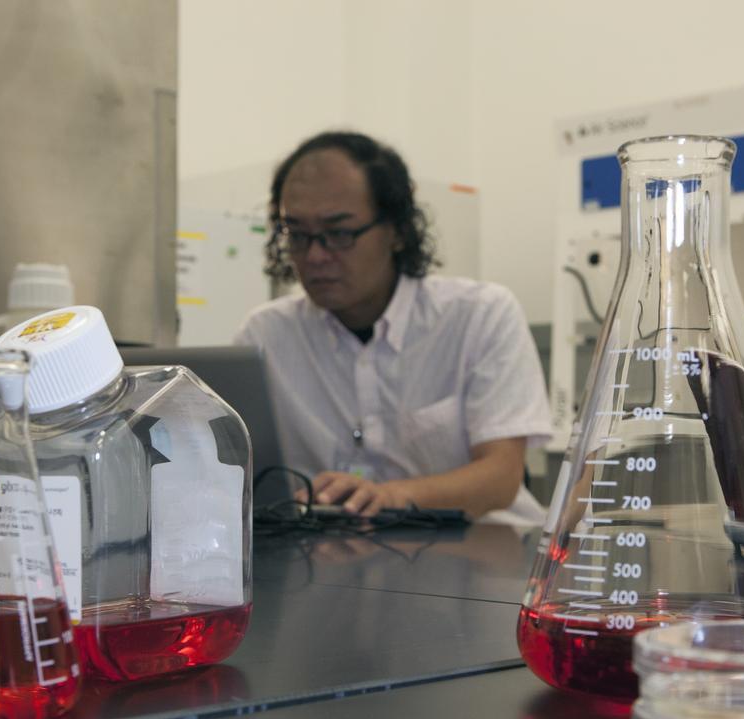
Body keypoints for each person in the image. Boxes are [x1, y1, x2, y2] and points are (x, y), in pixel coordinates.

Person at [234, 130, 551, 525]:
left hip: (486, 553)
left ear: (397, 229)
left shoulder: (478, 315)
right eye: (297, 235)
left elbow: (499, 478)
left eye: (339, 233)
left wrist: (388, 496)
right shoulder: (265, 337)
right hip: (333, 562)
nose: (315, 255)